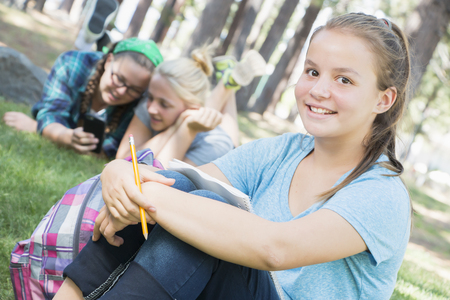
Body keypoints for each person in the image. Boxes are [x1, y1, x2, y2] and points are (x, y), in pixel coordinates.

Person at [54, 12, 412, 300]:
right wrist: (119, 170)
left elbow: (276, 250)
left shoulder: (382, 194)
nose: (318, 90)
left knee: (195, 211)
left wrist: (148, 194)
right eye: (313, 72)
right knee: (178, 190)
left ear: (383, 100)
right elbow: (178, 181)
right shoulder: (282, 151)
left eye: (344, 80)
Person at [3, 38, 163, 159]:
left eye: (134, 89)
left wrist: (35, 127)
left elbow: (113, 150)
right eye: (119, 79)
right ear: (109, 61)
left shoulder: (142, 102)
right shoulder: (72, 64)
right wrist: (65, 136)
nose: (121, 91)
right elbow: (51, 114)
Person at [114, 48, 265, 166]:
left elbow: (161, 179)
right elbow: (122, 159)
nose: (151, 108)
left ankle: (228, 84)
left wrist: (185, 128)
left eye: (164, 104)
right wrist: (174, 129)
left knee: (233, 146)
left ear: (193, 109)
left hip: (219, 143)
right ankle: (228, 80)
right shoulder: (154, 101)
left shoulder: (216, 144)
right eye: (150, 97)